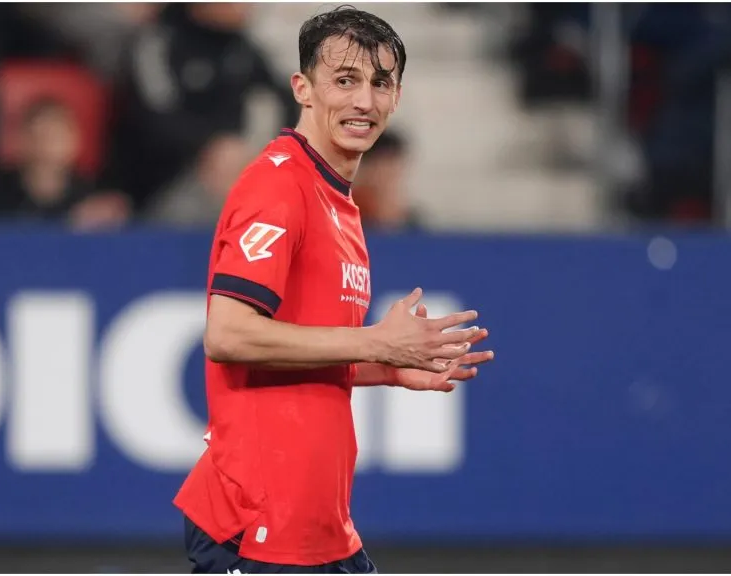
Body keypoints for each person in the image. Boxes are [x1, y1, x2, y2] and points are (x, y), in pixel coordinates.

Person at [173, 6, 494, 574]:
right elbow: (228, 334)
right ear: (303, 88)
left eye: (379, 83)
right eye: (344, 81)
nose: (363, 101)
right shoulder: (278, 187)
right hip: (257, 523)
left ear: (397, 97)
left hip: (319, 524)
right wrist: (374, 343)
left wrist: (387, 366)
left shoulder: (337, 199)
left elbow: (303, 348)